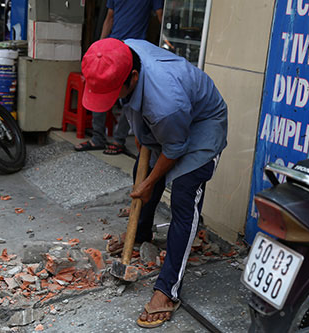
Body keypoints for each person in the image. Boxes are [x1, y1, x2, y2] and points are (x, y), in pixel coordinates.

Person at [81, 38, 228, 328]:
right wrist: (142, 136)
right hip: (165, 118)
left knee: (184, 196)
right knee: (143, 168)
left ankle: (168, 290)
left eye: (114, 93)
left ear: (133, 78)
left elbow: (173, 149)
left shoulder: (166, 105)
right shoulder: (119, 53)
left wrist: (150, 181)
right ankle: (140, 234)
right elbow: (144, 123)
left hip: (201, 126)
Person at [74, 0, 163, 155]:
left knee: (123, 92)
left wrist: (101, 43)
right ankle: (115, 140)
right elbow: (161, 17)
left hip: (128, 48)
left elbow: (110, 18)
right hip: (127, 47)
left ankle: (104, 138)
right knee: (120, 91)